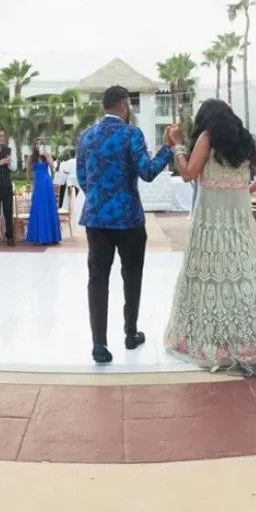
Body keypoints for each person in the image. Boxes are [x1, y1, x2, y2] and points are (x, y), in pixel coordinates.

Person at [164, 99, 256, 375]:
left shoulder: (206, 138)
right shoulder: (245, 141)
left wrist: (177, 145)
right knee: (244, 276)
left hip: (212, 222)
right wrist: (242, 189)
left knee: (211, 276)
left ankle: (215, 342)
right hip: (239, 221)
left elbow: (188, 173)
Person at [77, 86, 173, 364]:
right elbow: (147, 172)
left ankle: (99, 344)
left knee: (97, 280)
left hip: (96, 219)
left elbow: (83, 177)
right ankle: (130, 333)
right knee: (131, 276)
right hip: (128, 218)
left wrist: (99, 199)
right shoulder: (132, 134)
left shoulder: (85, 136)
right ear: (123, 105)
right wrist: (167, 148)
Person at [26, 138, 62, 246]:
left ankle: (51, 236)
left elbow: (52, 167)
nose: (38, 145)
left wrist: (47, 156)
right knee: (38, 207)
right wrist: (28, 184)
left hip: (47, 183)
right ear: (34, 146)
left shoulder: (47, 155)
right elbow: (28, 172)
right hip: (38, 183)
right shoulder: (31, 157)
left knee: (49, 206)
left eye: (40, 144)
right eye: (36, 144)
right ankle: (38, 236)